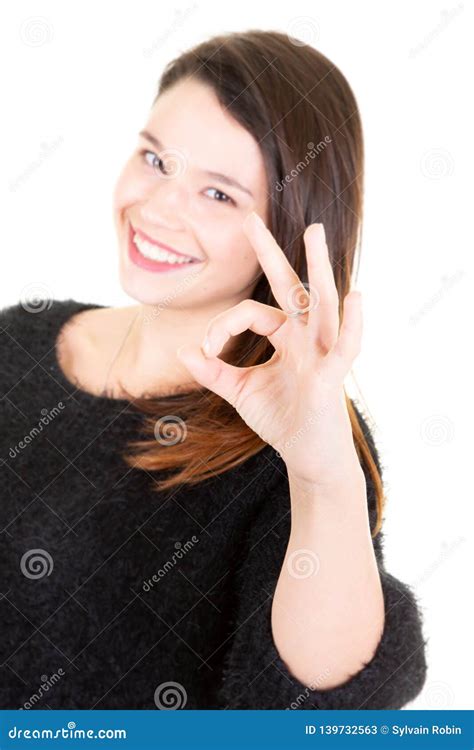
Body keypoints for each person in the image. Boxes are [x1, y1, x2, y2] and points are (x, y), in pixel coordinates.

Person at [0, 30, 427, 710]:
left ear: (286, 232)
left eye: (220, 195)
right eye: (156, 159)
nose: (160, 207)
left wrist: (321, 471)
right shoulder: (18, 339)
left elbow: (317, 697)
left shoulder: (297, 440)